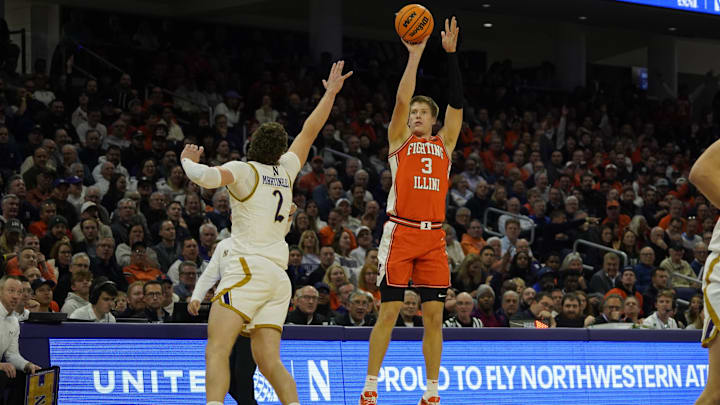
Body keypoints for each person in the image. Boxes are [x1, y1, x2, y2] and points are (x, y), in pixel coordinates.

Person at [182, 61, 351, 405]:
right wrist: (330, 93)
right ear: (279, 150)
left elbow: (206, 177)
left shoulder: (243, 170)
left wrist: (187, 160)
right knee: (269, 361)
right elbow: (310, 130)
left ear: (252, 144)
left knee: (216, 349)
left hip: (248, 269)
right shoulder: (287, 170)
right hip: (278, 277)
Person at [362, 17, 462, 405]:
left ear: (434, 120)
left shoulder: (445, 144)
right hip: (401, 233)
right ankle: (371, 386)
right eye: (415, 112)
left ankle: (432, 392)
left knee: (434, 317)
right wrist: (416, 55)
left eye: (424, 112)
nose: (417, 115)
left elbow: (457, 103)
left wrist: (450, 57)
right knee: (388, 312)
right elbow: (402, 100)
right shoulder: (400, 140)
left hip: (434, 237)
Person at [0, 276, 42, 405]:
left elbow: (12, 355)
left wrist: (27, 365)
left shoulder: (13, 321)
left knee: (26, 377)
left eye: (19, 292)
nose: (15, 296)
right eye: (11, 291)